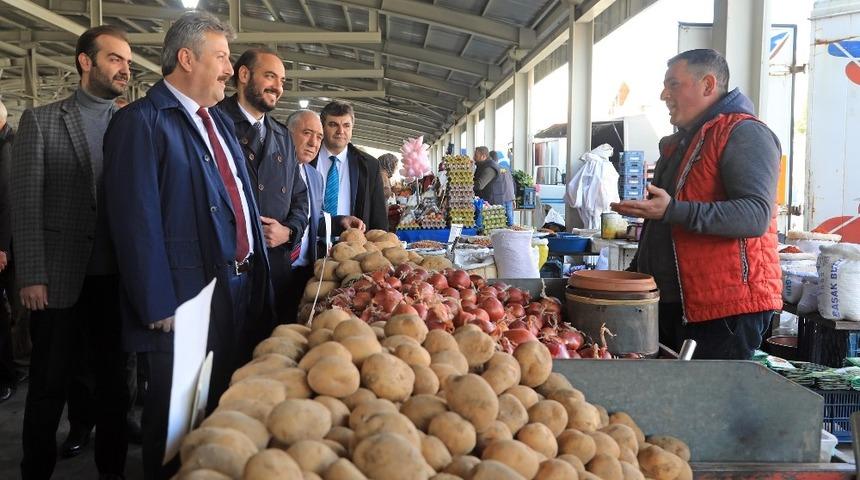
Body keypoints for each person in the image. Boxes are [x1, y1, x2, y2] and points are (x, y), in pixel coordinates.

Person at [102, 12, 273, 478]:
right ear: (185, 58)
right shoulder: (142, 122)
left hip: (230, 286)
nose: (227, 68)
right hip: (181, 300)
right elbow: (135, 220)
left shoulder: (213, 121)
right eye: (220, 57)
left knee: (217, 407)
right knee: (176, 419)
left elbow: (233, 193)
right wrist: (157, 302)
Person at [11, 25, 132, 479]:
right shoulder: (41, 121)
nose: (125, 68)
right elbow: (25, 203)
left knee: (113, 389)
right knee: (47, 387)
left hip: (115, 280)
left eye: (127, 60)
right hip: (58, 280)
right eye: (115, 58)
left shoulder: (131, 123)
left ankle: (113, 471)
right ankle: (35, 471)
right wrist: (32, 275)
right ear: (86, 61)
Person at [611, 48, 782, 360]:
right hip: (672, 304)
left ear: (707, 85)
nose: (664, 94)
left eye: (673, 84)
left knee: (706, 403)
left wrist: (672, 210)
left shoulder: (745, 133)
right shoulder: (681, 144)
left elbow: (755, 215)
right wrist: (634, 276)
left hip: (723, 310)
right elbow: (663, 228)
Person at [216, 48, 309, 323]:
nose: (278, 88)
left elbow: (300, 198)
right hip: (228, 271)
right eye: (270, 76)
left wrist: (289, 231)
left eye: (281, 81)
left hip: (276, 271)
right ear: (243, 75)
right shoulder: (214, 123)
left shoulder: (282, 135)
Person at [285, 109, 363, 323]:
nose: (313, 142)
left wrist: (340, 222)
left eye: (318, 137)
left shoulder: (314, 176)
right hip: (277, 268)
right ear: (287, 133)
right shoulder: (273, 171)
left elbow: (313, 221)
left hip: (307, 267)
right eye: (307, 133)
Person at [315, 100, 388, 231]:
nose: (340, 131)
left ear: (352, 128)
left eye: (346, 125)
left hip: (354, 245)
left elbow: (378, 215)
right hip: (309, 244)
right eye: (333, 124)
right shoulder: (306, 159)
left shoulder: (369, 165)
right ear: (322, 127)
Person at [0, 100, 15, 405]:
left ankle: (7, 375)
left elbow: (7, 202)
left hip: (6, 247)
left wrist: (2, 246)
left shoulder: (7, 148)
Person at [496, 152, 516, 226]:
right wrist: (514, 198)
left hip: (502, 197)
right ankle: (512, 231)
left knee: (502, 218)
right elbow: (513, 184)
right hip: (510, 196)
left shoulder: (496, 170)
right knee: (510, 216)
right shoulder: (507, 170)